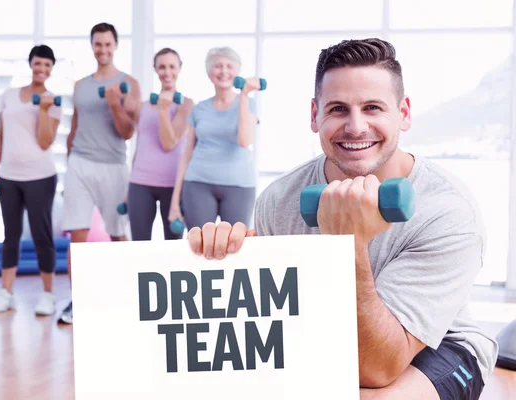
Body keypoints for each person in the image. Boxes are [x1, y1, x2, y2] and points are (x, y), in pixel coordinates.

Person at [186, 38, 498, 400]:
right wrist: (225, 261)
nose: (355, 126)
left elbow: (377, 368)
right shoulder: (279, 200)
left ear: (404, 113)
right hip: (333, 330)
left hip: (439, 342)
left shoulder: (447, 210)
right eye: (337, 109)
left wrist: (348, 242)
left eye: (372, 108)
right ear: (314, 115)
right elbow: (280, 321)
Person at [58, 22, 142, 324]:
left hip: (113, 166)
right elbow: (75, 127)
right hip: (80, 163)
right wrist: (70, 164)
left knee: (118, 234)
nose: (102, 50)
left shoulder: (128, 83)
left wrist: (114, 104)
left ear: (115, 46)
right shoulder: (80, 85)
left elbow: (127, 133)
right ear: (92, 46)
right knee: (76, 238)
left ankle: (127, 299)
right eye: (98, 44)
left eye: (108, 44)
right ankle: (77, 301)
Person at [0, 45, 62, 315]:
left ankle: (48, 295)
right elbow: (1, 136)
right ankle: (6, 292)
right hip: (9, 177)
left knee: (42, 235)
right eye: (38, 63)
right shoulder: (9, 96)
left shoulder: (52, 102)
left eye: (47, 65)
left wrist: (42, 110)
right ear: (30, 64)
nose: (41, 69)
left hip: (40, 176)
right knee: (10, 235)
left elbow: (44, 142)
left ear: (52, 69)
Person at [168, 47, 260, 232]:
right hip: (198, 183)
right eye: (218, 66)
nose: (224, 71)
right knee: (198, 247)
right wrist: (174, 201)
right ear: (209, 73)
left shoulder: (249, 103)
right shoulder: (199, 109)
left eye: (229, 66)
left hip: (239, 185)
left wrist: (243, 95)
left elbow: (244, 141)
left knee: (235, 247)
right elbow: (186, 155)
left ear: (237, 72)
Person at [128, 48, 194, 241]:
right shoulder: (143, 106)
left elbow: (169, 143)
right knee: (139, 245)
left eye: (172, 66)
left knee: (173, 248)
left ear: (179, 69)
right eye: (162, 67)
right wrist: (128, 188)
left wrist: (163, 110)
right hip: (140, 183)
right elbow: (140, 146)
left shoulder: (186, 105)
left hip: (172, 185)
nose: (167, 72)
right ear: (155, 70)